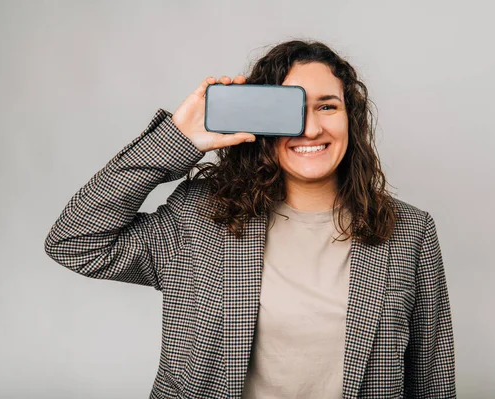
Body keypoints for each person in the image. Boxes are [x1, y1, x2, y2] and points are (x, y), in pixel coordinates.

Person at [44, 40, 456, 399]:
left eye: (327, 106)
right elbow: (76, 242)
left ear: (351, 118)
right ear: (261, 120)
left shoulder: (410, 233)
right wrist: (177, 139)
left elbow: (432, 379)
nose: (310, 129)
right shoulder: (201, 215)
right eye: (292, 109)